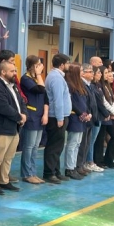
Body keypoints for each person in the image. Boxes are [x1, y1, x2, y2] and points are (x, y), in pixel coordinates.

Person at [0, 60, 26, 194]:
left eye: (15, 71)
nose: (15, 73)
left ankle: (4, 180)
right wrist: (19, 117)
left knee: (8, 157)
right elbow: (2, 107)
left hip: (13, 127)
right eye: (12, 71)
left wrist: (24, 114)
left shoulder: (13, 86)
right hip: (0, 127)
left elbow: (21, 101)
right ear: (3, 72)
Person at [43, 53, 72, 184]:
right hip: (56, 117)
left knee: (58, 145)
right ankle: (49, 173)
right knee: (54, 146)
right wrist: (60, 117)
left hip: (60, 116)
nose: (69, 65)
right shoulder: (56, 78)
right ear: (62, 64)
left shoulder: (58, 77)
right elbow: (58, 99)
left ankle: (56, 171)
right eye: (67, 63)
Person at [19, 56, 47, 184]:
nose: (40, 67)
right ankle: (26, 174)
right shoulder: (26, 79)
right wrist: (39, 74)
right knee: (29, 146)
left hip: (39, 114)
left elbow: (44, 95)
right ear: (32, 66)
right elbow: (40, 89)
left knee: (35, 146)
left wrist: (45, 113)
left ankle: (33, 172)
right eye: (38, 65)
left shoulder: (37, 78)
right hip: (31, 114)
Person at [63, 64, 88, 181]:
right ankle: (69, 168)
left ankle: (74, 166)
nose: (82, 72)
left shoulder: (79, 85)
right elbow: (72, 103)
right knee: (72, 144)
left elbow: (84, 102)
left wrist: (87, 113)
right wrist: (82, 114)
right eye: (81, 71)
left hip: (82, 118)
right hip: (75, 117)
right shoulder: (70, 86)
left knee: (77, 143)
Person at [94, 68, 114, 169]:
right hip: (104, 115)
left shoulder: (107, 87)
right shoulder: (99, 86)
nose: (105, 75)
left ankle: (108, 159)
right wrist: (111, 112)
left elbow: (111, 101)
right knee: (100, 139)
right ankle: (99, 160)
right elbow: (103, 102)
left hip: (109, 115)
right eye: (104, 73)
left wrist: (113, 112)